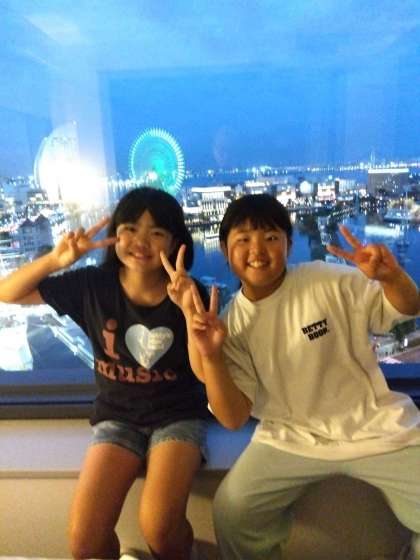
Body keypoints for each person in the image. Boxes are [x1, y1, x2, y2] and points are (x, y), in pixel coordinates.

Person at [187, 193, 420, 560]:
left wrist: (392, 278)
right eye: (243, 239)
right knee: (234, 512)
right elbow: (232, 418)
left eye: (270, 237)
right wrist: (212, 354)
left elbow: (406, 307)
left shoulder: (325, 279)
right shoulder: (232, 323)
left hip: (373, 424)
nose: (257, 250)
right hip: (289, 435)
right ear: (225, 250)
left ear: (289, 244)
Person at [0, 186, 209, 560]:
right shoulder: (92, 286)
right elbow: (8, 293)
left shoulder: (191, 294)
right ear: (115, 235)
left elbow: (205, 371)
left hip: (177, 417)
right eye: (130, 229)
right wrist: (55, 260)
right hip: (117, 418)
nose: (141, 242)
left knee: (160, 528)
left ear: (176, 242)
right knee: (85, 540)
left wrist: (191, 312)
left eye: (156, 232)